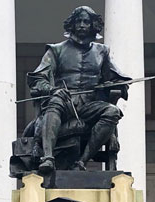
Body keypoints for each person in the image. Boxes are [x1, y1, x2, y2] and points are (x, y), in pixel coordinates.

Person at [28, 6, 131, 174]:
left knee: (112, 111)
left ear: (93, 26)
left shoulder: (102, 52)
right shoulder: (56, 50)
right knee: (54, 101)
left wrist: (119, 84)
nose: (82, 25)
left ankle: (82, 161)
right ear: (72, 25)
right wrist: (53, 90)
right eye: (78, 21)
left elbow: (113, 77)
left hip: (89, 106)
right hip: (64, 103)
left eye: (86, 22)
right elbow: (38, 78)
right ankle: (48, 158)